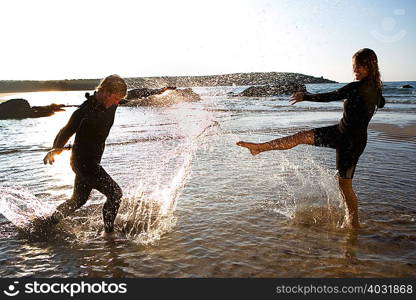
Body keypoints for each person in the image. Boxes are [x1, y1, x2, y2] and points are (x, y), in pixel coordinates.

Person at [237, 48, 385, 228]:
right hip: (343, 133)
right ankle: (259, 148)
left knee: (345, 186)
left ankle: (354, 225)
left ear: (370, 66)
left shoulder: (357, 87)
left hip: (349, 141)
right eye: (354, 66)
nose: (355, 70)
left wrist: (305, 96)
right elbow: (381, 102)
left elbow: (332, 96)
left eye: (360, 66)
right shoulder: (375, 88)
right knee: (301, 136)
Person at [41, 74, 127, 234]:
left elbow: (136, 94)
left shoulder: (112, 104)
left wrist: (160, 91)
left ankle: (46, 225)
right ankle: (109, 234)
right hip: (83, 162)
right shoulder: (84, 111)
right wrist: (55, 148)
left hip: (89, 162)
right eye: (116, 98)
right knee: (115, 194)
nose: (117, 102)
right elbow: (65, 131)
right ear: (106, 92)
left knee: (78, 200)